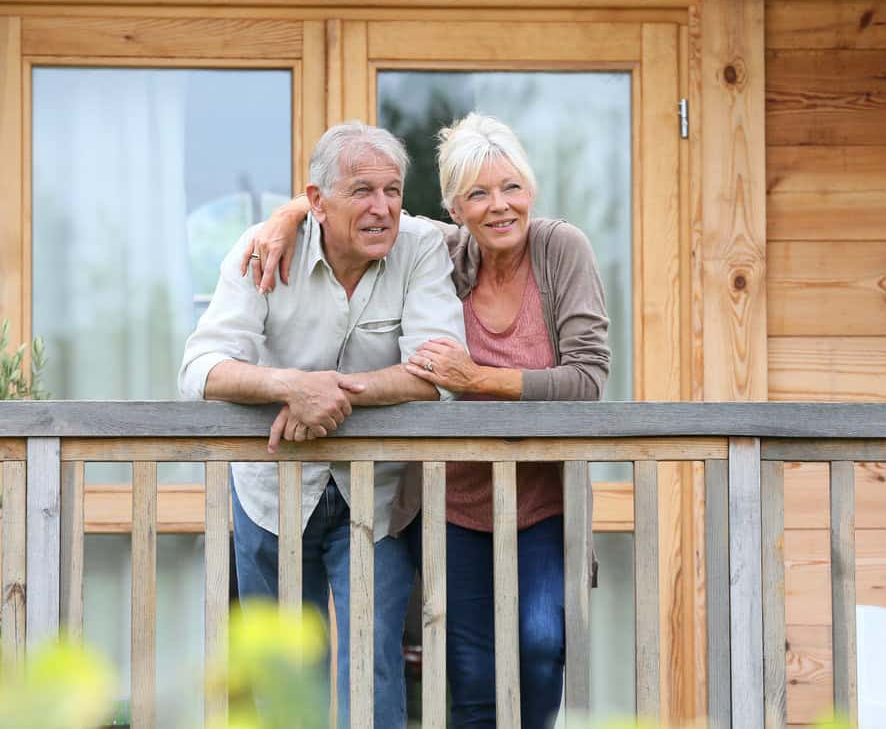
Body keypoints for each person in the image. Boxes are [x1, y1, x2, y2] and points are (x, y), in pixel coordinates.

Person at [245, 112, 610, 727]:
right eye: (479, 194)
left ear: (532, 190)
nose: (500, 206)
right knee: (469, 677)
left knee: (543, 655)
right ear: (453, 208)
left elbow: (588, 379)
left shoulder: (561, 249)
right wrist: (285, 218)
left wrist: (476, 380)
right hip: (454, 507)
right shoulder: (436, 250)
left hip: (544, 503)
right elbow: (352, 203)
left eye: (512, 187)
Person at [179, 120, 466, 728]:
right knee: (286, 677)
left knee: (371, 665)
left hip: (378, 492)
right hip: (269, 489)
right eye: (362, 190)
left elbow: (439, 370)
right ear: (315, 202)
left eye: (392, 190)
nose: (382, 208)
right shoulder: (260, 249)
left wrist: (334, 397)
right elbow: (200, 369)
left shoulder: (422, 247)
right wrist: (290, 386)